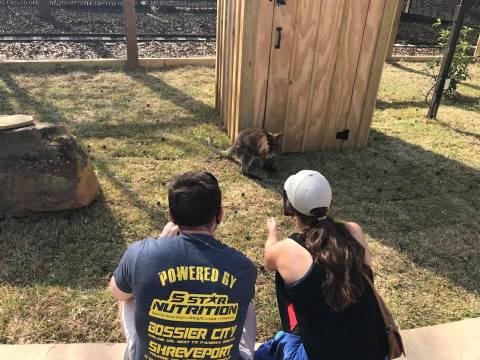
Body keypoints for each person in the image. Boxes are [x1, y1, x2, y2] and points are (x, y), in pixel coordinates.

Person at [110, 171, 257, 360]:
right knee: (247, 301)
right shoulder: (243, 267)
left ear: (171, 215)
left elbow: (117, 292)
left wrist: (160, 242)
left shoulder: (140, 254)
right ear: (220, 214)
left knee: (127, 292)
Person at [255, 170, 388, 360]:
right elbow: (367, 265)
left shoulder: (288, 250)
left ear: (289, 207)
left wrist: (272, 233)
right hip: (375, 351)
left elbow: (268, 260)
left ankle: (292, 337)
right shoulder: (354, 231)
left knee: (264, 354)